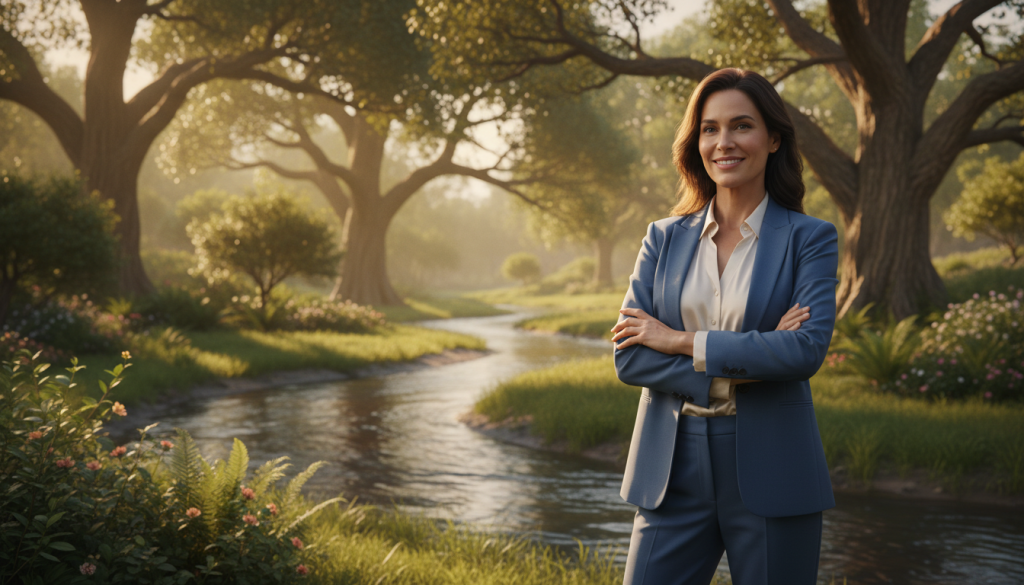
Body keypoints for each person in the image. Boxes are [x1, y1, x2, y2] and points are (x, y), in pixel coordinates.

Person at [609, 68, 839, 585]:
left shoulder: (811, 238)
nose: (724, 142)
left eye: (741, 126)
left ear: (773, 138)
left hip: (774, 468)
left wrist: (678, 341)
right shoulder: (662, 238)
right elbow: (629, 355)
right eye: (709, 129)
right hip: (670, 467)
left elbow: (804, 351)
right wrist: (746, 360)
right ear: (696, 142)